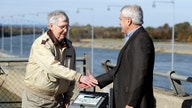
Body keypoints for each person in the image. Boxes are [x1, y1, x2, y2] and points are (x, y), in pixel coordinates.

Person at [78, 4, 156, 108]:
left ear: (128, 21)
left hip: (135, 104)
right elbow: (120, 69)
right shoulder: (135, 38)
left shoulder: (141, 40)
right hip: (125, 101)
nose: (119, 23)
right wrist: (97, 81)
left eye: (121, 19)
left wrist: (132, 103)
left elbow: (139, 74)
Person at [22, 10, 97, 108]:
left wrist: (67, 96)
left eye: (67, 26)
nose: (65, 30)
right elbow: (52, 67)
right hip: (36, 100)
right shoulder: (41, 44)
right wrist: (79, 77)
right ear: (51, 26)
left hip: (58, 101)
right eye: (62, 27)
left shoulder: (69, 47)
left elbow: (71, 73)